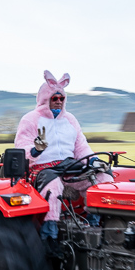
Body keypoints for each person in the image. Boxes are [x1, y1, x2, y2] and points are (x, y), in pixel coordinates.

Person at [14, 70, 112, 242]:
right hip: (42, 168)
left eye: (62, 98)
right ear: (45, 99)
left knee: (101, 176)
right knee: (53, 185)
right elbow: (22, 150)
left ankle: (95, 222)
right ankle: (49, 232)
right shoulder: (30, 120)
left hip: (68, 166)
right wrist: (36, 149)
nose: (59, 102)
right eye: (55, 98)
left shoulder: (70, 119)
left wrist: (94, 160)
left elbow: (81, 146)